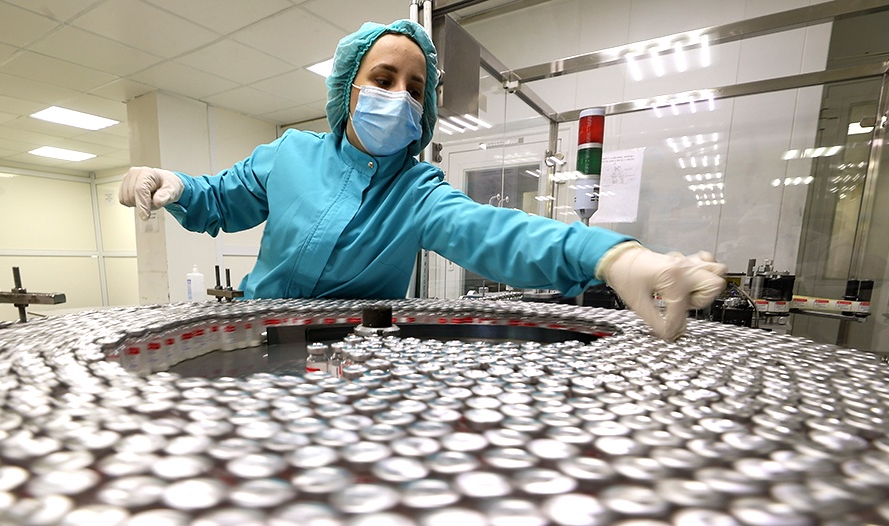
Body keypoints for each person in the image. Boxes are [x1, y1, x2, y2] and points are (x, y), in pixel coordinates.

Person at [121, 19, 726, 341]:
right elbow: (219, 201)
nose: (399, 97)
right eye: (383, 80)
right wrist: (173, 183)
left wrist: (615, 258)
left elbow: (495, 233)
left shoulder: (417, 193)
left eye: (415, 90)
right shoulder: (289, 155)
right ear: (348, 89)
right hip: (256, 342)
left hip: (358, 360)